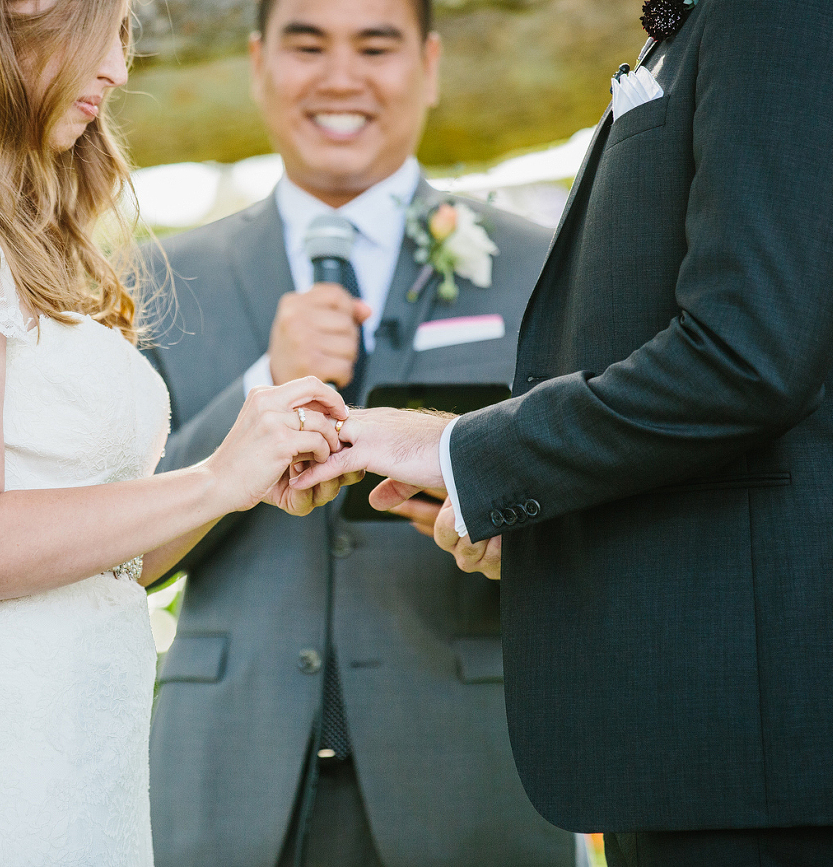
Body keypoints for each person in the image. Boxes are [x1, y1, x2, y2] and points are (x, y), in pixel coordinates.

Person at [294, 0, 833, 864]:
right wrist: (543, 516)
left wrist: (456, 451)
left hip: (777, 723)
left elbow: (743, 355)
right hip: (740, 722)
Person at [0, 0, 356, 863]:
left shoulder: (24, 240)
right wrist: (212, 480)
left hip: (76, 764)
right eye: (106, 28)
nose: (120, 70)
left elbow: (114, 563)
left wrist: (242, 473)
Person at [140, 0, 577, 865]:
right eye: (307, 44)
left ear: (430, 64)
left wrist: (521, 542)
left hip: (472, 775)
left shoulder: (545, 264)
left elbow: (604, 489)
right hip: (226, 782)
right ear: (259, 62)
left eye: (375, 45)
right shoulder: (157, 280)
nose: (340, 76)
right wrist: (260, 386)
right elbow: (119, 550)